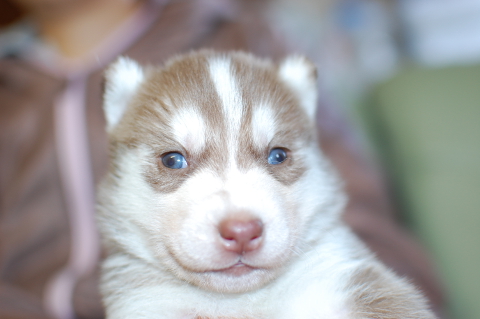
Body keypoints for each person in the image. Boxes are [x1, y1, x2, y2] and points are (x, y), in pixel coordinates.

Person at [0, 0, 445, 318]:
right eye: (173, 160)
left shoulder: (245, 37)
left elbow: (361, 223)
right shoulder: (8, 88)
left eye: (273, 156)